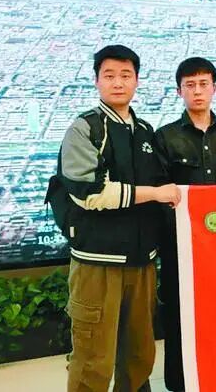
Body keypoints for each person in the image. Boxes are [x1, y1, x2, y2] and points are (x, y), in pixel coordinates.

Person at [61, 44, 181, 392]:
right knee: (92, 360)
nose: (118, 83)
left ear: (137, 81)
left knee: (139, 356)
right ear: (96, 81)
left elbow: (164, 184)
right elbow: (89, 193)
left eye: (126, 75)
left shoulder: (144, 130)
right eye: (109, 75)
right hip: (97, 264)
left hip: (142, 263)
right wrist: (154, 193)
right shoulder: (86, 128)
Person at [155, 57, 216, 392]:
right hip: (181, 251)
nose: (197, 91)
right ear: (179, 91)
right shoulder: (165, 138)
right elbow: (160, 196)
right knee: (180, 319)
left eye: (203, 84)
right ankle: (180, 384)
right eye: (190, 85)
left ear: (214, 88)